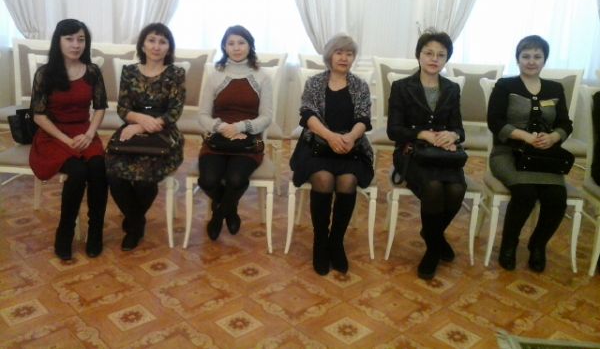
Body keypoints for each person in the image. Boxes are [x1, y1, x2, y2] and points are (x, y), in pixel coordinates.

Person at [290, 34, 374, 275]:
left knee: (347, 181)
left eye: (349, 53)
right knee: (324, 179)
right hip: (317, 146)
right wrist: (331, 137)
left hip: (351, 147)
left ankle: (336, 242)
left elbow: (363, 119)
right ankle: (320, 241)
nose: (344, 58)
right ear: (330, 56)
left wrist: (350, 138)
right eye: (339, 52)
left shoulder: (360, 86)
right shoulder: (315, 82)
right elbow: (308, 115)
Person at [487, 35, 572, 273]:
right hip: (507, 153)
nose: (531, 61)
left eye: (537, 56)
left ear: (544, 60)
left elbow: (565, 123)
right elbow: (494, 121)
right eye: (526, 56)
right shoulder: (505, 85)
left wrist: (553, 137)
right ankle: (509, 244)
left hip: (544, 156)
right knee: (525, 192)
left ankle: (537, 245)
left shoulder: (555, 88)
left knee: (557, 197)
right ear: (518, 59)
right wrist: (524, 136)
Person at [387, 30, 466, 280]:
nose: (434, 59)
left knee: (456, 190)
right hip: (412, 153)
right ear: (418, 55)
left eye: (441, 55)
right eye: (429, 53)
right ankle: (434, 249)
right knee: (433, 188)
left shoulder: (452, 88)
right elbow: (393, 130)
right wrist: (422, 134)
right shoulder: (402, 87)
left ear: (446, 59)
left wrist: (452, 135)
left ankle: (432, 234)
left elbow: (459, 129)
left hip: (444, 154)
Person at [29, 19, 108, 260]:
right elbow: (38, 115)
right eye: (70, 39)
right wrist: (66, 139)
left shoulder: (92, 71)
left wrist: (90, 134)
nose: (76, 45)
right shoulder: (45, 74)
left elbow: (100, 108)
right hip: (53, 135)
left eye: (81, 39)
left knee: (99, 168)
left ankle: (95, 232)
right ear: (59, 41)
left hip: (84, 131)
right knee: (78, 171)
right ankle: (65, 232)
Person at [105, 23, 185, 251]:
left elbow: (174, 111)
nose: (156, 46)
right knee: (113, 174)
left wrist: (142, 126)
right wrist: (139, 120)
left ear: (169, 47)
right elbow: (123, 108)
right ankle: (137, 220)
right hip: (132, 129)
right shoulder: (129, 71)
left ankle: (133, 225)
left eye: (162, 42)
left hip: (163, 133)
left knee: (145, 179)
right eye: (151, 40)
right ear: (142, 44)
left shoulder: (176, 73)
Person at [198, 25, 272, 240]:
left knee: (236, 179)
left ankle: (218, 215)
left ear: (250, 45)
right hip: (217, 137)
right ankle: (230, 209)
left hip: (248, 138)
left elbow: (266, 117)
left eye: (241, 43)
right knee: (208, 181)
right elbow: (203, 115)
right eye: (231, 43)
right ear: (224, 47)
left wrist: (240, 127)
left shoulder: (262, 77)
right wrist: (222, 127)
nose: (236, 48)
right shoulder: (215, 75)